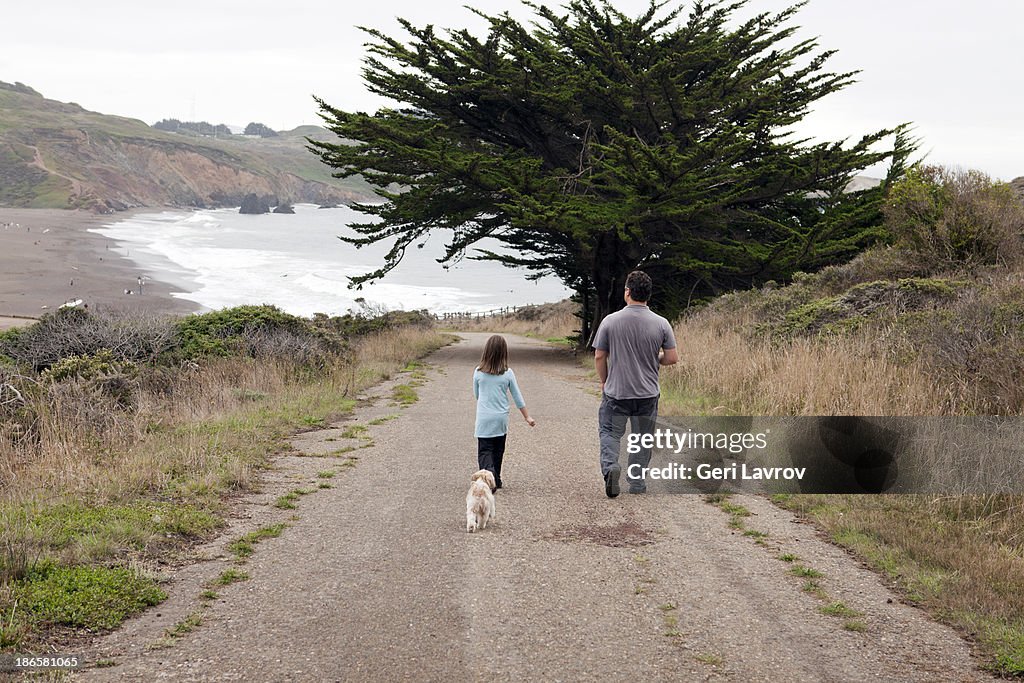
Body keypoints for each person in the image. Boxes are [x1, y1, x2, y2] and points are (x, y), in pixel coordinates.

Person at [593, 270, 678, 497]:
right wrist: (655, 358)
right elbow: (671, 358)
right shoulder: (661, 323)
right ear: (648, 295)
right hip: (648, 393)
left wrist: (604, 380)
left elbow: (600, 356)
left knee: (610, 433)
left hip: (616, 392)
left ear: (628, 292)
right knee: (642, 438)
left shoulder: (610, 321)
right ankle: (637, 482)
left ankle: (611, 468)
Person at [473, 335, 536, 492]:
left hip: (484, 418)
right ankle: (497, 478)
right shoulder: (508, 373)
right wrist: (527, 416)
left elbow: (477, 395)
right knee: (498, 450)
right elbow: (517, 397)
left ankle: (488, 477)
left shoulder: (478, 372)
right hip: (500, 418)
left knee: (484, 450)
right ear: (504, 353)